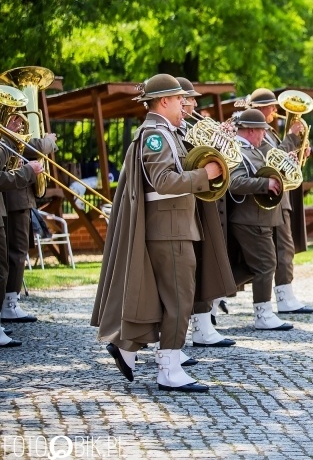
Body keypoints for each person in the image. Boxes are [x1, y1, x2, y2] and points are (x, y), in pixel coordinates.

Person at [91, 73, 234, 393]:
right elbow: (164, 182)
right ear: (164, 100)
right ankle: (169, 370)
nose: (184, 104)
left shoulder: (165, 132)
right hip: (169, 228)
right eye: (179, 99)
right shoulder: (155, 135)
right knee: (180, 300)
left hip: (174, 226)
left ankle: (128, 348)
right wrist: (206, 174)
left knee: (164, 299)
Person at [175, 76, 236, 349]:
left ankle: (202, 325)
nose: (195, 104)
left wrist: (221, 141)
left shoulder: (189, 127)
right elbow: (192, 162)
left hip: (203, 201)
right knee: (196, 265)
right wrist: (214, 142)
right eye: (190, 99)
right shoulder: (177, 131)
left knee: (207, 263)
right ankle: (193, 330)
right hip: (191, 202)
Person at [245, 88, 313, 314]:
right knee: (282, 248)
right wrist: (292, 137)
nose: (275, 110)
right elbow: (271, 160)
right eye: (271, 106)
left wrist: (297, 151)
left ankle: (285, 294)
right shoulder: (257, 133)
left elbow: (280, 157)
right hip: (269, 197)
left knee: (285, 247)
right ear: (259, 109)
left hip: (279, 195)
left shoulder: (269, 132)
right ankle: (283, 297)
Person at [227, 108, 294, 331]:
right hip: (250, 218)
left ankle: (209, 298)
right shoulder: (238, 150)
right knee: (266, 264)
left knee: (250, 266)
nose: (264, 136)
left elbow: (264, 169)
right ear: (252, 130)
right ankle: (263, 314)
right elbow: (235, 183)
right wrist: (265, 185)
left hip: (257, 217)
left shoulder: (251, 149)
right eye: (261, 131)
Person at [1, 115, 57, 323]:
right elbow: (32, 146)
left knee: (16, 251)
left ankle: (9, 301)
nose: (18, 119)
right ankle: (9, 303)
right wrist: (50, 140)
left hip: (18, 197)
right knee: (16, 251)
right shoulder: (7, 134)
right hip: (14, 198)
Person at [0, 137, 44, 346]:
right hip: (11, 200)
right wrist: (27, 170)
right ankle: (8, 306)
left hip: (13, 200)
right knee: (6, 263)